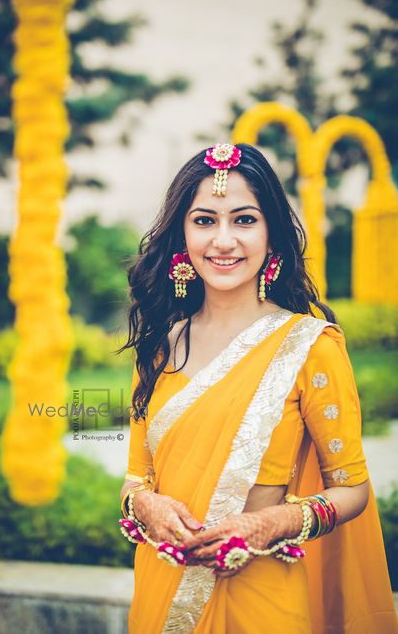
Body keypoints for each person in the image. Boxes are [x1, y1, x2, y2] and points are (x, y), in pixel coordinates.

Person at [117, 143, 397, 633]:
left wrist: (268, 524)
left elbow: (351, 490)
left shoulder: (310, 347)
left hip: (262, 600)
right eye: (204, 220)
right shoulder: (160, 349)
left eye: (244, 220)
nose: (223, 240)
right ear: (182, 236)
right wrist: (146, 505)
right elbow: (137, 478)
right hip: (160, 592)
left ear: (272, 235)